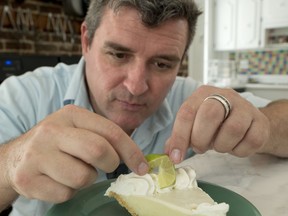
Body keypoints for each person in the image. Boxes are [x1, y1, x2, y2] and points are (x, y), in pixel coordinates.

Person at [0, 0, 288, 215]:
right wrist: (10, 165)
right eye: (118, 54)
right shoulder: (22, 96)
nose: (136, 86)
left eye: (162, 64)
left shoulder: (189, 99)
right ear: (86, 40)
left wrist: (262, 125)